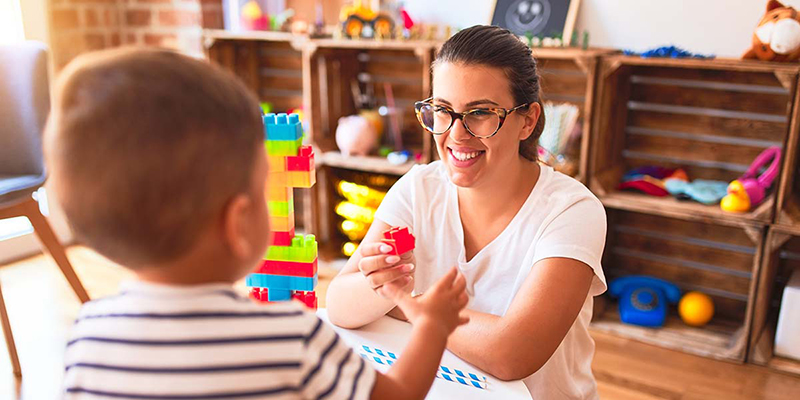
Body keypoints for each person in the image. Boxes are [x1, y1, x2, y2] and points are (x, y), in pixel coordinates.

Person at [47, 47, 469, 400]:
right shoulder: (289, 339)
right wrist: (432, 325)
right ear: (238, 221)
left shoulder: (88, 340)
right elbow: (394, 396)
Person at [326, 25, 607, 400]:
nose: (456, 135)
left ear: (527, 120)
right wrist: (389, 291)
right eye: (442, 110)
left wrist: (405, 302)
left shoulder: (574, 211)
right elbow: (339, 303)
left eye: (480, 113)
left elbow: (512, 352)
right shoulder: (418, 189)